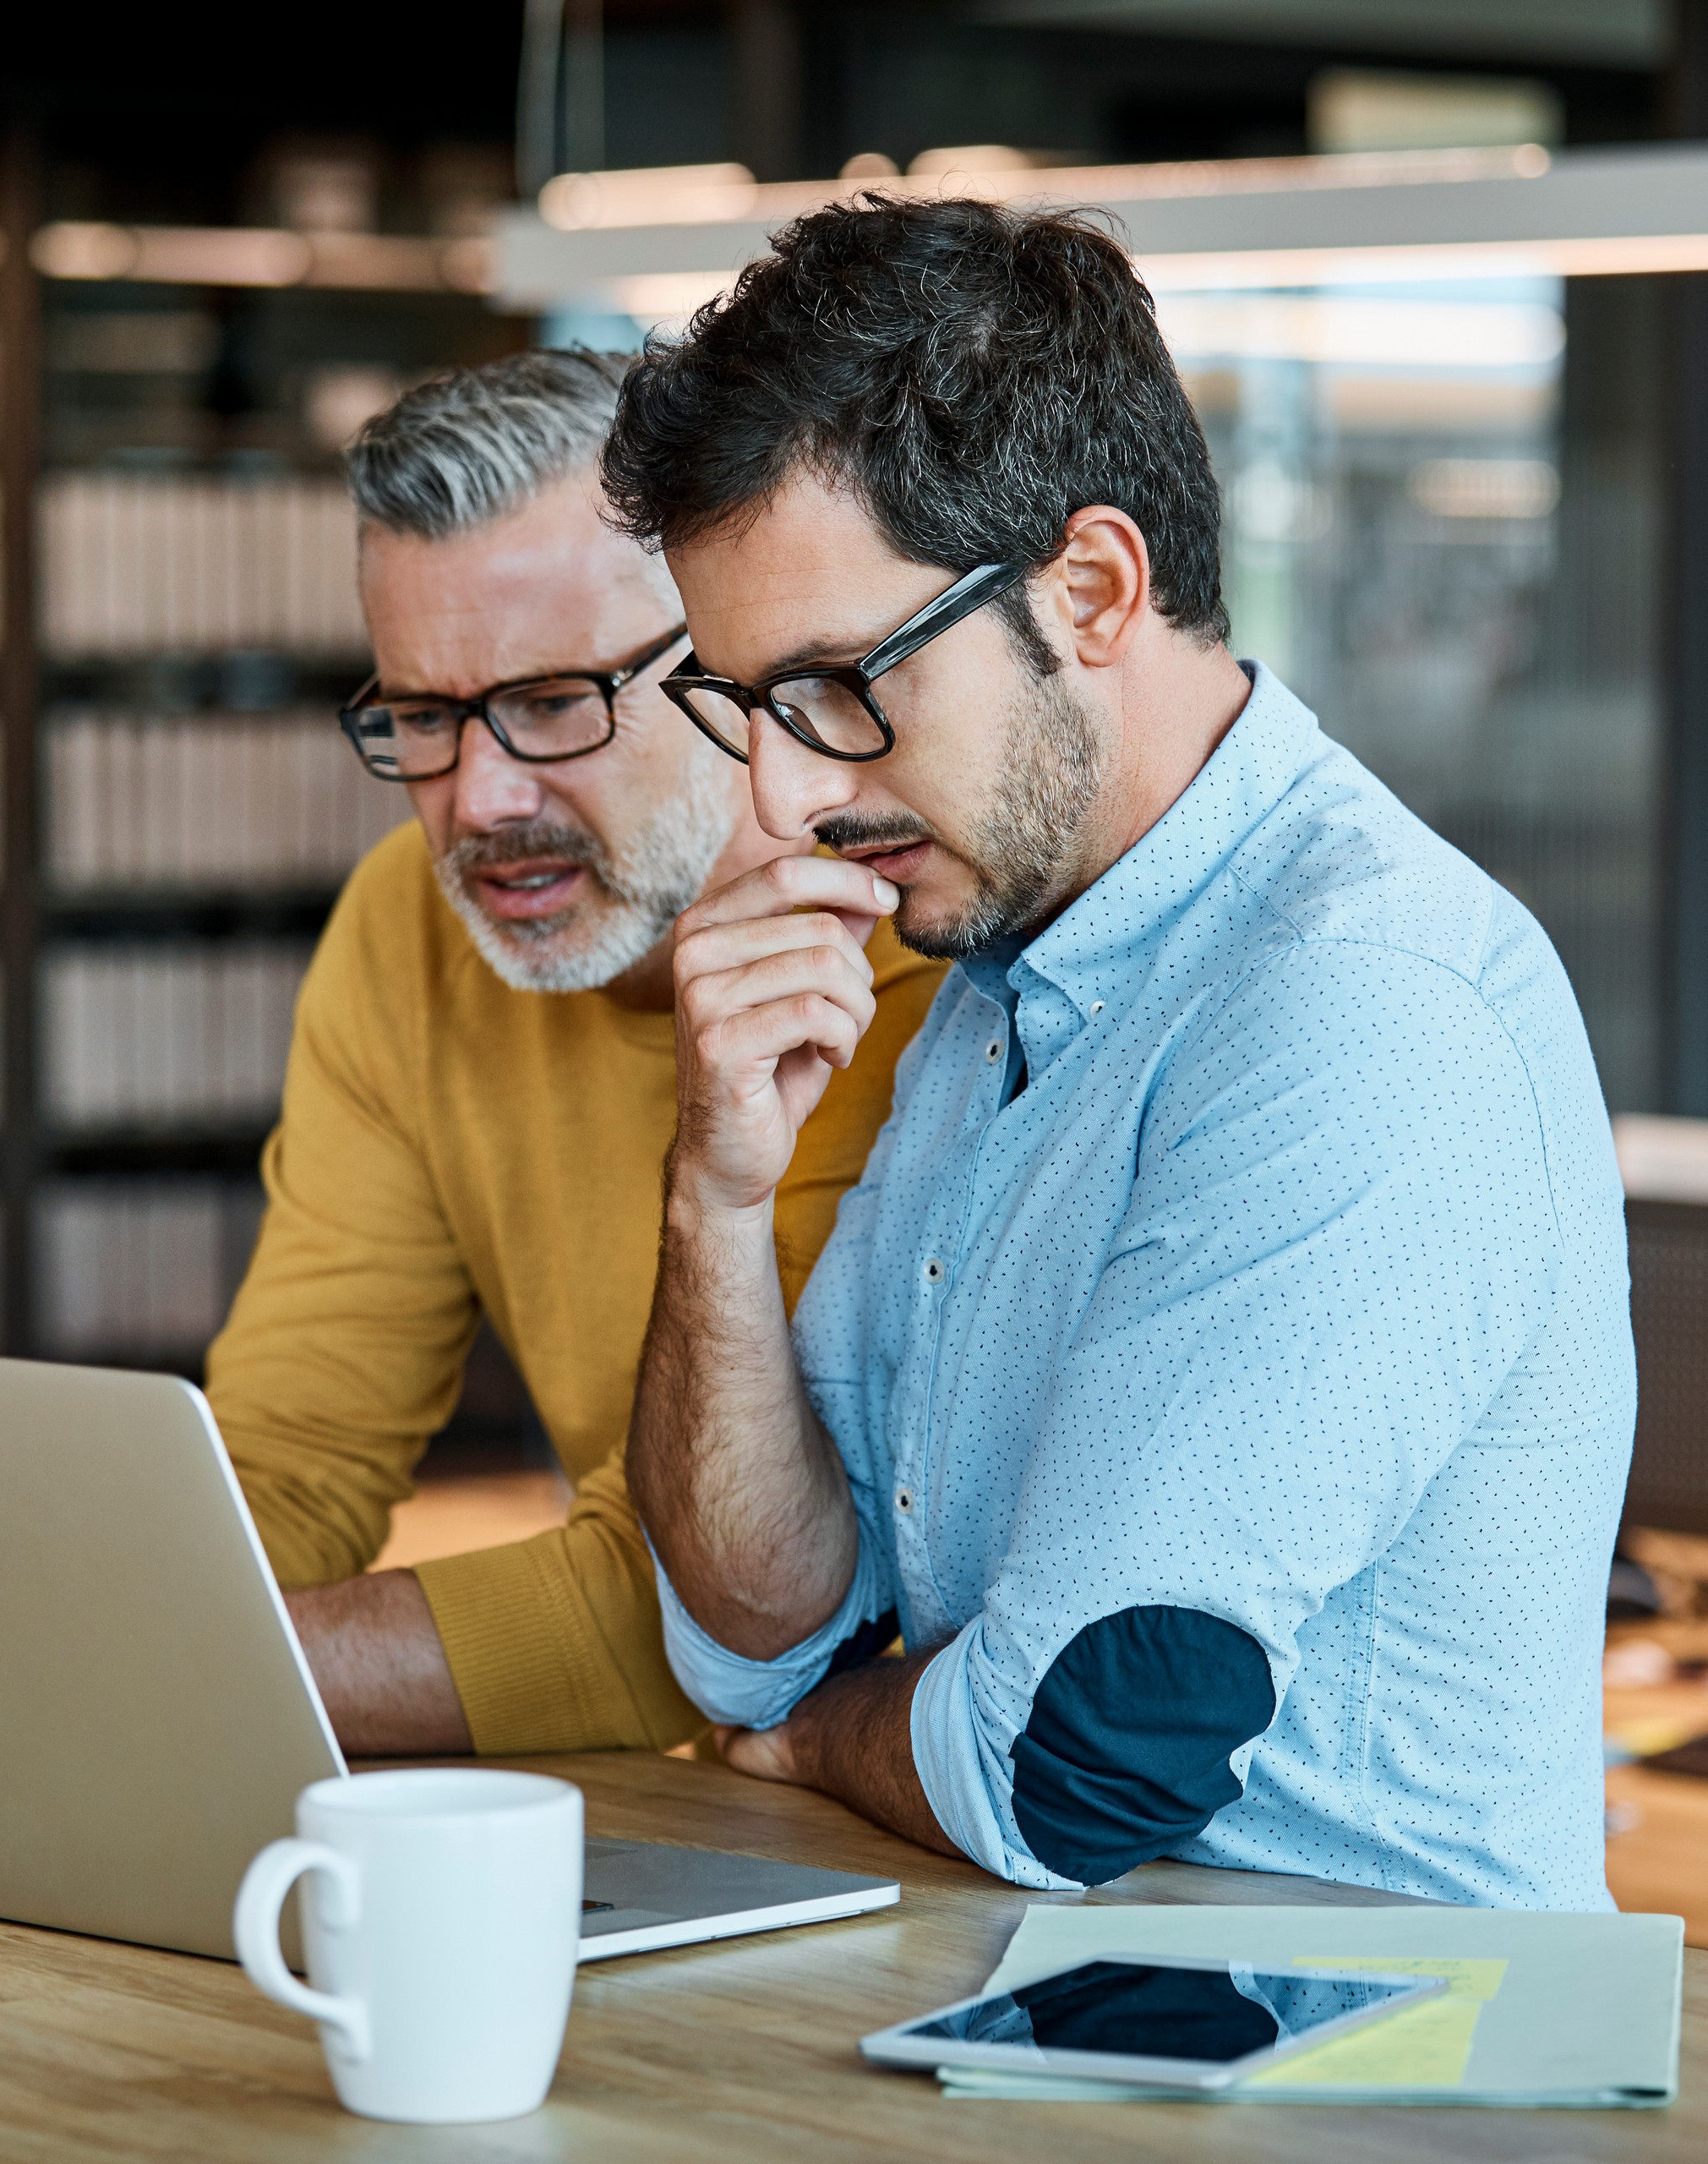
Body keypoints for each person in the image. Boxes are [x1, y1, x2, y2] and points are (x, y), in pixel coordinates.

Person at [608, 199, 1634, 1905]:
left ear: (1092, 587)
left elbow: (1074, 1761)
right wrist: (713, 1197)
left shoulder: (1359, 1004)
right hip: (1052, 2017)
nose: (784, 800)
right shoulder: (994, 980)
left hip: (1366, 2068)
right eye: (747, 710)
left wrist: (827, 1741)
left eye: (841, 687)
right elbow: (757, 1636)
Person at [203, 351, 942, 1758]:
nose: (480, 799)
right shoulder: (404, 934)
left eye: (554, 704)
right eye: (423, 717)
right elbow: (289, 1464)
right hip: (710, 1819)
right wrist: (64, 1624)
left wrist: (184, 1669)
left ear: (727, 663)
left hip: (964, 1849)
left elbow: (704, 1610)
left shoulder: (902, 959)